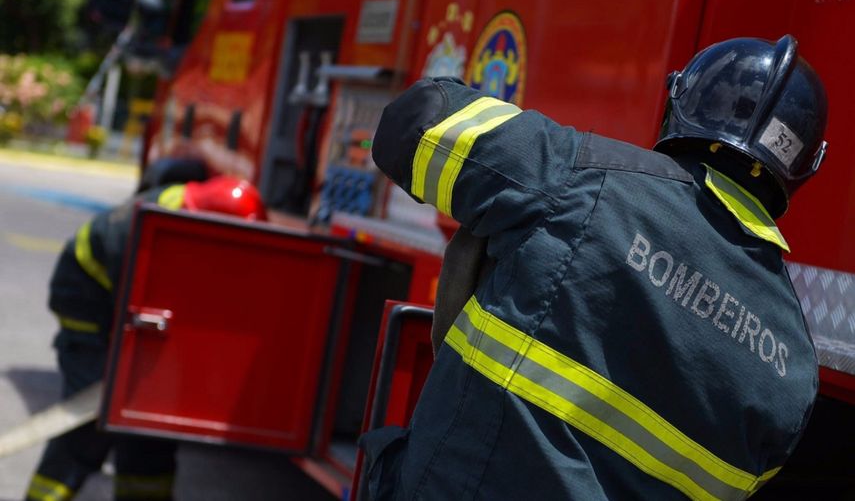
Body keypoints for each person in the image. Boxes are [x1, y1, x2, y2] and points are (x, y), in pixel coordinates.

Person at [360, 35, 828, 500]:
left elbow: (414, 120)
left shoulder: (581, 180)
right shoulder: (795, 374)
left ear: (680, 104)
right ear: (801, 170)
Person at [25, 176, 266, 501]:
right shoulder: (152, 232)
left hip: (118, 301)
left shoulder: (182, 210)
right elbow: (145, 296)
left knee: (148, 418)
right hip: (84, 295)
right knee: (90, 415)